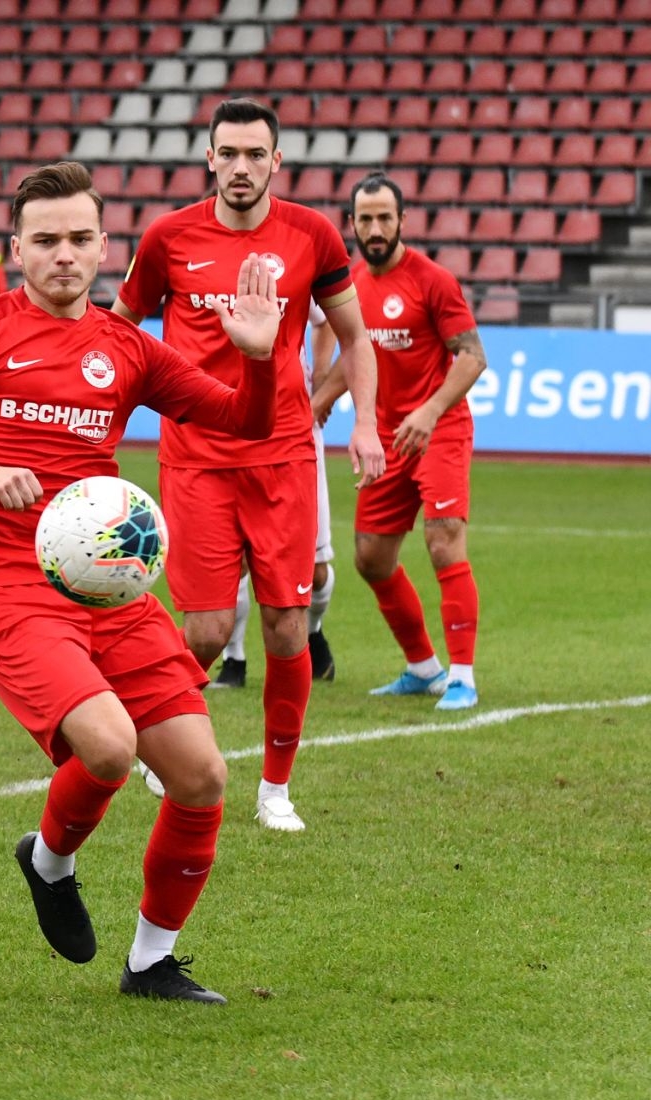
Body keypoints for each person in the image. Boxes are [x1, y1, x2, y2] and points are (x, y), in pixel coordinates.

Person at [0, 161, 283, 1004]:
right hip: (4, 581)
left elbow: (244, 419)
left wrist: (261, 358)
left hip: (108, 586)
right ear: (16, 248)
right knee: (107, 745)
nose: (65, 255)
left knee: (202, 775)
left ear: (105, 247)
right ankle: (51, 861)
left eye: (80, 239)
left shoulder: (128, 348)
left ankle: (150, 964)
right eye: (47, 240)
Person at [113, 98, 384, 834]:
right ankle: (159, 731)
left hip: (284, 454)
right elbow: (116, 331)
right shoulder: (168, 237)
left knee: (287, 628)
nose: (240, 167)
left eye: (253, 155)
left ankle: (275, 790)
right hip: (196, 457)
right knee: (202, 633)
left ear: (276, 162)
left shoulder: (313, 234)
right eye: (227, 153)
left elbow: (356, 337)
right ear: (209, 159)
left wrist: (364, 422)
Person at [311, 172, 488, 711]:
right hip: (384, 436)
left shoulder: (432, 280)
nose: (375, 227)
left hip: (439, 428)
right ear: (353, 224)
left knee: (443, 539)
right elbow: (356, 355)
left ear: (403, 220)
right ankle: (422, 667)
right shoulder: (354, 284)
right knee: (371, 557)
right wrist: (318, 402)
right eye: (365, 218)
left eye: (385, 217)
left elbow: (472, 355)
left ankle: (462, 675)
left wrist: (430, 411)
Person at [214, 300, 339, 688]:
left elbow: (333, 324)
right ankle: (233, 660)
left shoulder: (291, 262)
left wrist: (319, 377)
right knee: (234, 562)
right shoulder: (195, 261)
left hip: (292, 436)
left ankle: (313, 630)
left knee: (314, 572)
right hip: (224, 429)